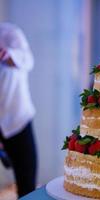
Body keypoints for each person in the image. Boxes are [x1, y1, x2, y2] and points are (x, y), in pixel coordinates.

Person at [0, 22, 37, 197]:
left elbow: (28, 60)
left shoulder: (10, 33)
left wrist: (8, 55)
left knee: (26, 183)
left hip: (17, 120)